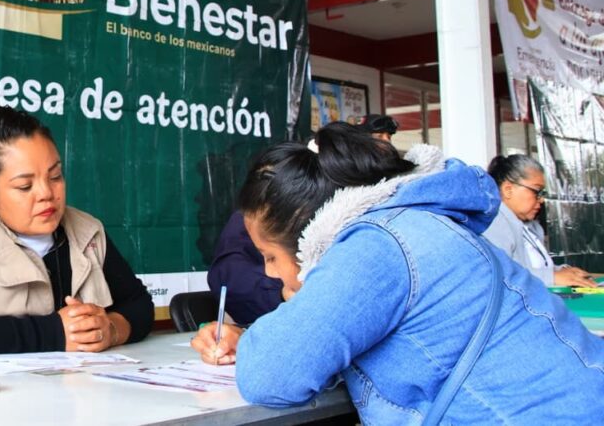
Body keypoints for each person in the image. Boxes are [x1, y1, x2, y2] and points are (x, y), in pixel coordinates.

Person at [191, 123, 604, 423]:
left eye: (269, 257)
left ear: (308, 238)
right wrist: (252, 336)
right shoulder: (416, 225)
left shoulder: (375, 246)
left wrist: (260, 341)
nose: (271, 273)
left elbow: (272, 377)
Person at [0, 103, 154, 355]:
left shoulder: (87, 229)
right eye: (25, 186)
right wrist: (55, 332)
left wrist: (111, 329)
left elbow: (139, 305)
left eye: (55, 176)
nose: (46, 194)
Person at [483, 154, 598, 288]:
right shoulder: (493, 223)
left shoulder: (531, 227)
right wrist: (553, 277)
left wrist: (562, 271)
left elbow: (537, 267)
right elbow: (502, 276)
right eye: (536, 191)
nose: (541, 199)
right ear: (508, 190)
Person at [207, 211, 284, 325]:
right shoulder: (256, 213)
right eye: (270, 258)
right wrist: (282, 294)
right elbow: (229, 278)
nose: (271, 269)